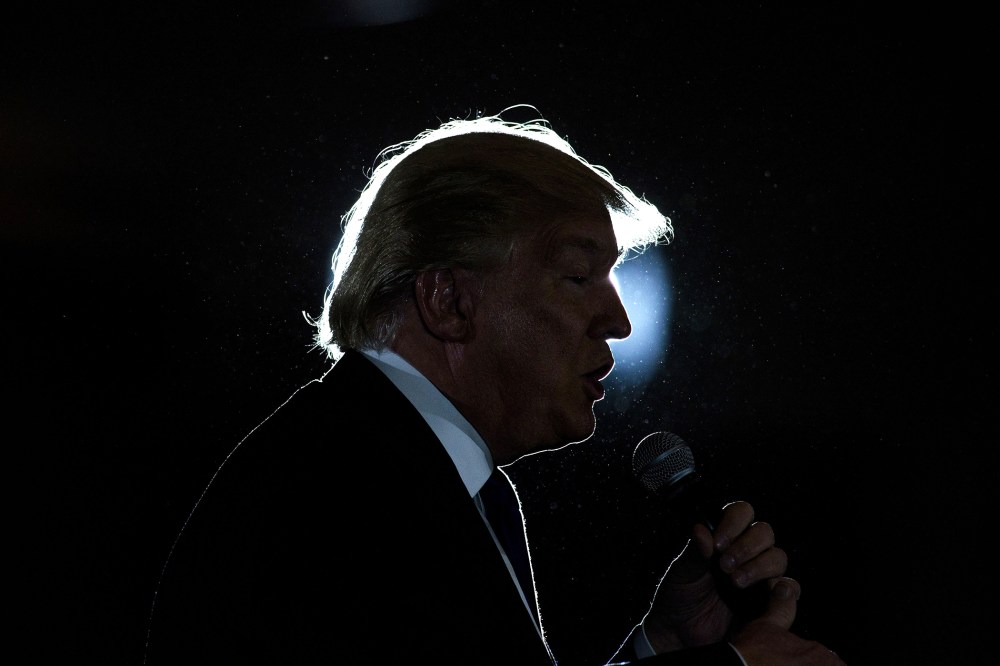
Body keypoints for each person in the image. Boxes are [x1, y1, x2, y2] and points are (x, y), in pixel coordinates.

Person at [143, 107, 846, 665]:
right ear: (448, 301)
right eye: (578, 276)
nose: (620, 319)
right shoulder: (340, 489)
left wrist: (661, 647)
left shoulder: (394, 466)